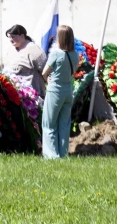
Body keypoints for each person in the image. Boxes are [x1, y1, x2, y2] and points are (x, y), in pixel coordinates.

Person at [41, 25, 79, 160]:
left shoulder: (56, 53)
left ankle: (51, 155)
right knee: (64, 124)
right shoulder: (75, 55)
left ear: (60, 37)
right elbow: (72, 73)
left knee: (49, 124)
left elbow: (44, 73)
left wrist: (48, 79)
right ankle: (63, 154)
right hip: (68, 90)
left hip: (55, 90)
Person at [3, 25, 48, 98]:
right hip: (13, 95)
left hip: (32, 98)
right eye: (9, 37)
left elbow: (46, 71)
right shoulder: (10, 50)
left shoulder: (34, 50)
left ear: (22, 36)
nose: (10, 39)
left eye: (13, 37)